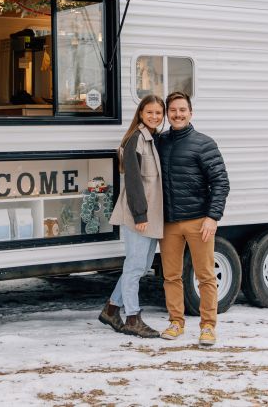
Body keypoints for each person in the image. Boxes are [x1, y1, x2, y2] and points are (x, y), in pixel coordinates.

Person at [157, 91, 230, 346]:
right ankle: (176, 322)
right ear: (167, 114)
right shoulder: (160, 142)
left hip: (199, 221)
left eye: (182, 110)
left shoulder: (204, 143)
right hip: (168, 223)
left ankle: (208, 327)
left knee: (205, 276)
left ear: (190, 113)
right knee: (171, 276)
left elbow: (221, 182)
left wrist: (212, 217)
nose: (177, 114)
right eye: (173, 110)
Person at [99, 94, 166, 338]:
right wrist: (140, 215)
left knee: (141, 265)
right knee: (135, 266)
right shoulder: (134, 140)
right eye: (150, 112)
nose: (155, 117)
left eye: (159, 113)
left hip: (150, 216)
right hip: (139, 215)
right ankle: (132, 318)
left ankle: (111, 309)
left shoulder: (152, 139)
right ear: (140, 113)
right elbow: (134, 182)